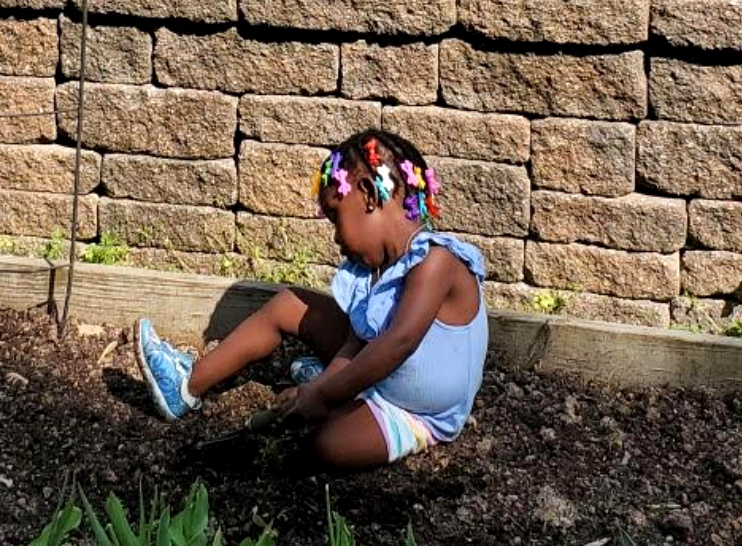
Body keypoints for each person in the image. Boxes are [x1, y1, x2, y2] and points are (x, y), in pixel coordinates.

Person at [134, 129, 488, 471]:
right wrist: (320, 389)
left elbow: (400, 342)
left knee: (327, 444)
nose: (335, 237)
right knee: (290, 305)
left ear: (367, 194)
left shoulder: (437, 261)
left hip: (415, 410)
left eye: (336, 216)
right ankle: (186, 386)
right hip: (381, 375)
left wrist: (324, 396)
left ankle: (346, 397)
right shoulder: (374, 270)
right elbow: (356, 344)